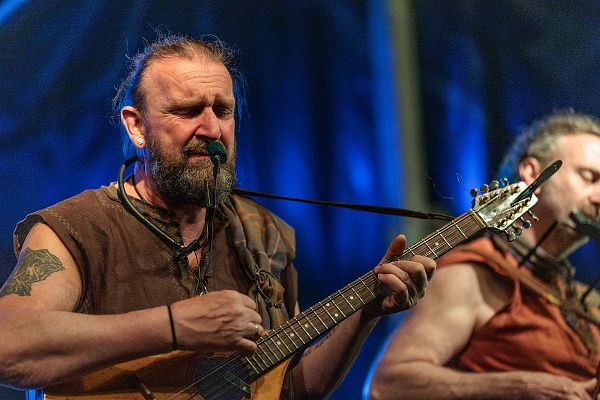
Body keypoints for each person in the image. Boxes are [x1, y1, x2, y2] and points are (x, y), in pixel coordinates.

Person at [0, 33, 436, 399]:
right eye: (187, 111)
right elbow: (8, 346)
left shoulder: (264, 234)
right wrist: (174, 326)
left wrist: (365, 312)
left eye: (222, 111)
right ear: (136, 127)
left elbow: (289, 388)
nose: (212, 130)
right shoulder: (78, 228)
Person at [366, 109, 600, 399]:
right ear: (533, 173)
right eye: (589, 177)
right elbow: (387, 385)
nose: (598, 197)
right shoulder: (472, 273)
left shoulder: (583, 298)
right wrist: (524, 387)